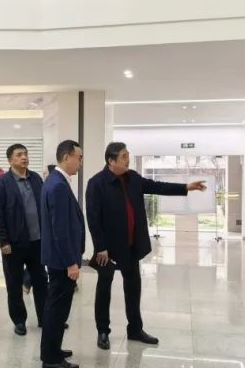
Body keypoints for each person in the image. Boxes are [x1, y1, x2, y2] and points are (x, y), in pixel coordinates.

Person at [86, 142, 206, 350]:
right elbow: (93, 218)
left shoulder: (132, 177)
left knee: (133, 287)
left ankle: (135, 329)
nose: (128, 159)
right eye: (124, 156)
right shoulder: (96, 183)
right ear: (111, 161)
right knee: (104, 289)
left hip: (131, 245)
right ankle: (103, 331)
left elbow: (157, 186)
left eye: (128, 155)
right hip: (108, 248)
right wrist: (100, 247)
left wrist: (185, 187)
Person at [0, 143, 48, 336]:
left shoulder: (36, 179)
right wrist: (3, 241)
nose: (24, 157)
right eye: (19, 155)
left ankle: (45, 318)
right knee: (14, 285)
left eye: (25, 154)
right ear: (10, 160)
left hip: (37, 242)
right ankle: (19, 321)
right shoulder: (2, 183)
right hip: (13, 245)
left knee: (41, 281)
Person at [40, 140, 84, 368]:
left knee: (56, 308)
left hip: (58, 257)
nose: (80, 162)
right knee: (57, 309)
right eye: (79, 157)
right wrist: (70, 262)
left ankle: (52, 349)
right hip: (61, 260)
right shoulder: (57, 185)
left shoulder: (56, 181)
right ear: (66, 157)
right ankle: (51, 358)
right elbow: (60, 229)